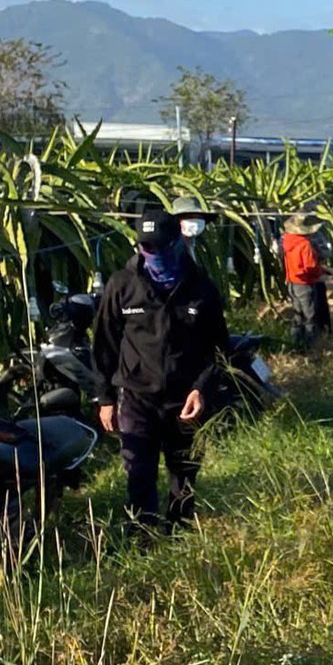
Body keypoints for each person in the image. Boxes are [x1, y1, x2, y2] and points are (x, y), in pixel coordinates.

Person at [92, 209, 230, 532]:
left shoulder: (201, 288)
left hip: (185, 400)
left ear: (176, 242)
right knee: (139, 472)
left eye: (159, 247)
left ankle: (180, 535)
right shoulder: (122, 286)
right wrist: (105, 398)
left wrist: (202, 389)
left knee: (184, 476)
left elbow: (219, 348)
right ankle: (143, 540)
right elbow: (104, 344)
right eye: (146, 247)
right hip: (137, 397)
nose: (152, 254)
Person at [280, 211, 328, 349]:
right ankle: (311, 346)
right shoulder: (304, 244)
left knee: (297, 314)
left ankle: (295, 343)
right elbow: (310, 266)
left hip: (292, 282)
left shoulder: (287, 241)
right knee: (310, 316)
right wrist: (321, 271)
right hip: (305, 283)